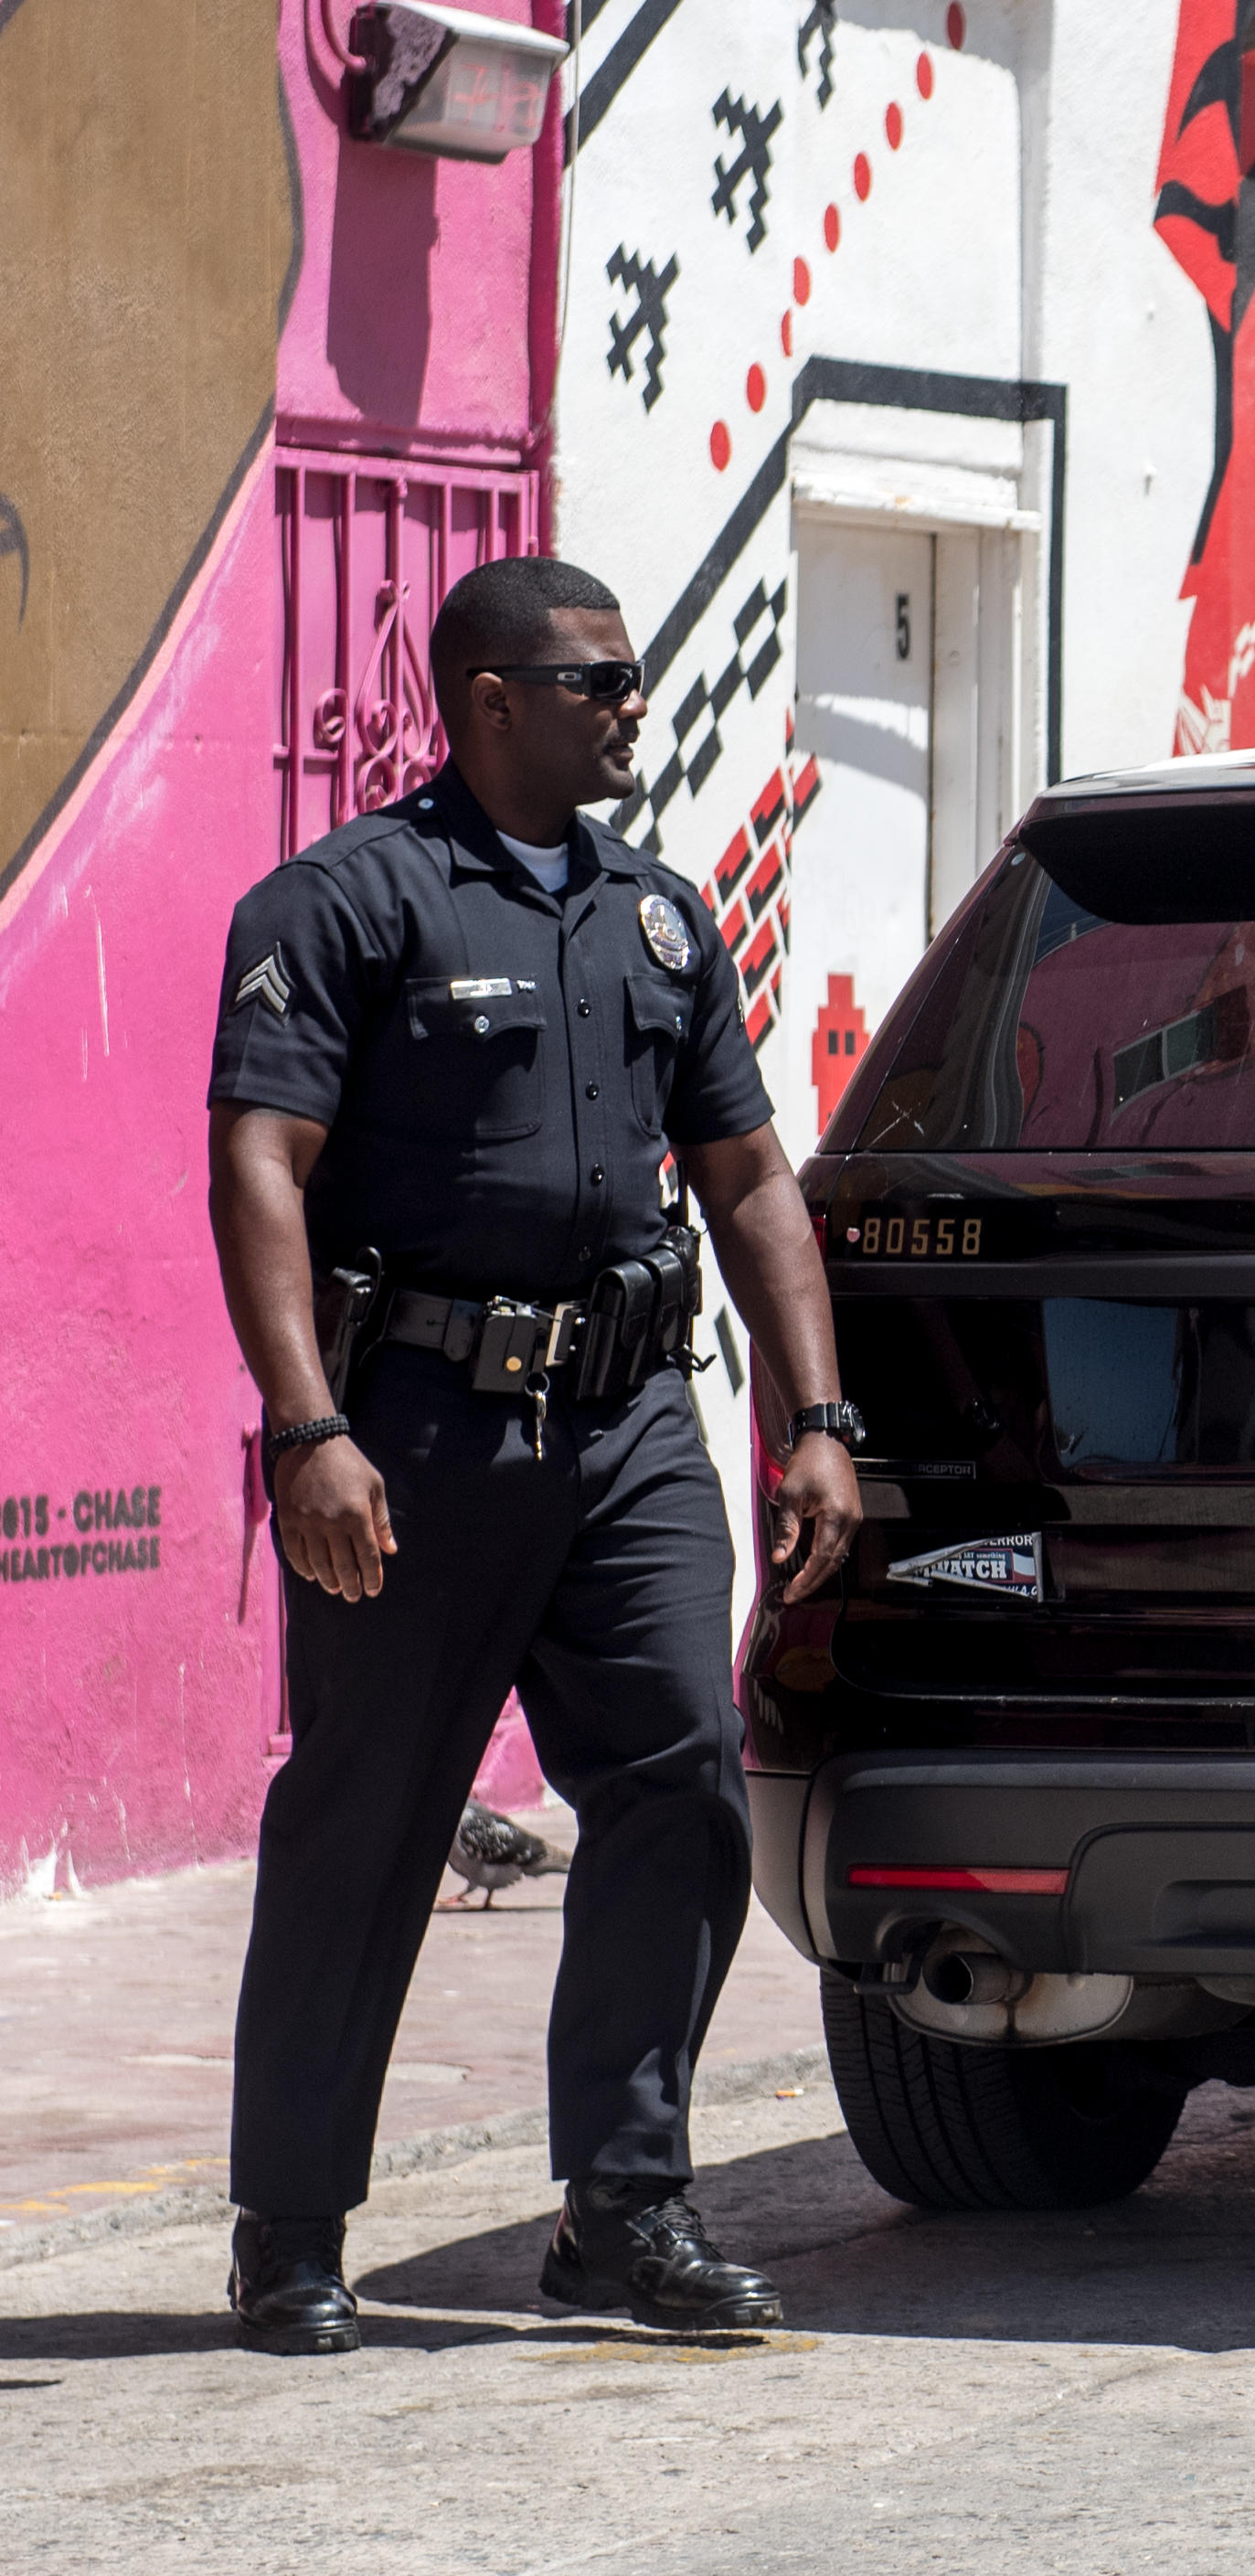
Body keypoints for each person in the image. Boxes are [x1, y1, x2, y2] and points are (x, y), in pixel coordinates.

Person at [207, 555, 863, 2356]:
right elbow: (259, 1161)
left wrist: (813, 1417)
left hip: (632, 1422)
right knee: (369, 1819)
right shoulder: (348, 903)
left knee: (684, 1780)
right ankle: (290, 2224)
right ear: (489, 697)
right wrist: (306, 1429)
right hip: (412, 1430)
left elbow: (746, 1178)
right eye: (600, 681)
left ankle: (624, 2205)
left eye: (636, 677)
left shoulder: (660, 919)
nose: (633, 706)